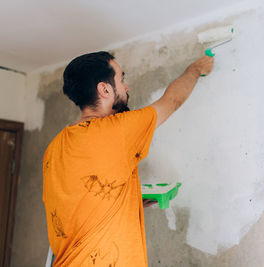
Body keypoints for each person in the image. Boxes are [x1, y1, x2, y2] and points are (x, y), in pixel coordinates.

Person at [42, 51, 214, 266]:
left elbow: (76, 203)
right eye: (121, 79)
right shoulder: (117, 130)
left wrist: (131, 202)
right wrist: (196, 69)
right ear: (104, 89)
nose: (126, 87)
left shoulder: (55, 147)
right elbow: (172, 101)